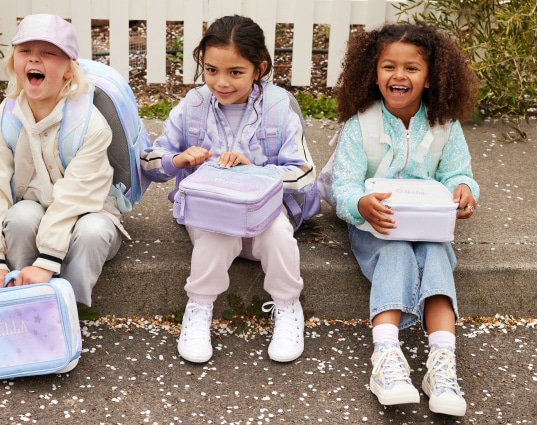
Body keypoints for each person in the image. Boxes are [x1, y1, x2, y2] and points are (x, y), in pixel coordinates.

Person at [140, 15, 317, 364]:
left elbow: (303, 173)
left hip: (262, 215)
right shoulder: (192, 105)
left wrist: (257, 173)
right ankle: (199, 308)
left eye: (235, 72)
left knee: (278, 232)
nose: (221, 82)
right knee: (219, 233)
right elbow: (149, 160)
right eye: (210, 70)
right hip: (208, 215)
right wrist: (178, 160)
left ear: (259, 69)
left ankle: (287, 308)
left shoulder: (279, 108)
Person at [323, 23, 479, 416]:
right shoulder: (363, 124)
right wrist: (360, 203)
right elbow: (343, 185)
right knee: (396, 254)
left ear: (431, 78)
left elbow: (457, 172)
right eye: (388, 66)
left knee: (437, 257)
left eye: (412, 68)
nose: (398, 75)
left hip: (427, 220)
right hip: (378, 223)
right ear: (373, 73)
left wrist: (463, 189)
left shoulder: (444, 124)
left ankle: (441, 365)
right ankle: (386, 357)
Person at [0, 14, 126, 306]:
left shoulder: (88, 124)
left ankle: (67, 312)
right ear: (14, 61)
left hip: (88, 214)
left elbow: (75, 197)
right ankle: (19, 299)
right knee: (20, 218)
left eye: (48, 53)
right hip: (35, 208)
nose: (34, 60)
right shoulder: (6, 118)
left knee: (92, 232)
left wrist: (47, 260)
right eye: (25, 51)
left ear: (69, 69)